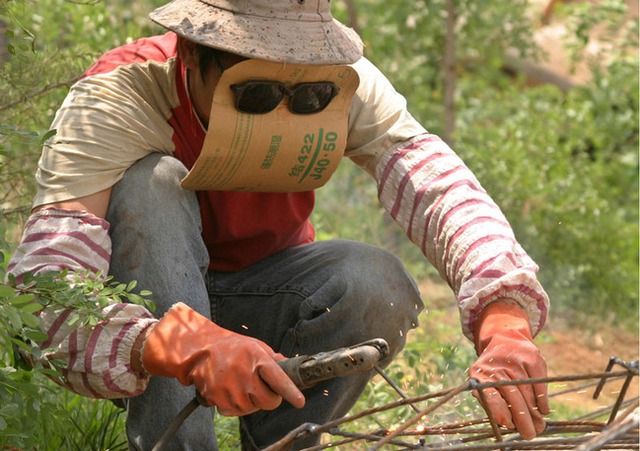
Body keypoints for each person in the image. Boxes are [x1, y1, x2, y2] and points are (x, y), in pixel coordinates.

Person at [7, 0, 550, 449]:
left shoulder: (347, 85)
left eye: (309, 96)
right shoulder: (118, 97)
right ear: (193, 55)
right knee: (153, 183)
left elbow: (438, 189)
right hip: (150, 303)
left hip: (264, 297)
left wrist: (504, 320)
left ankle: (287, 442)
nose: (285, 112)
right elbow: (44, 296)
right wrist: (173, 344)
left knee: (373, 281)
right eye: (258, 93)